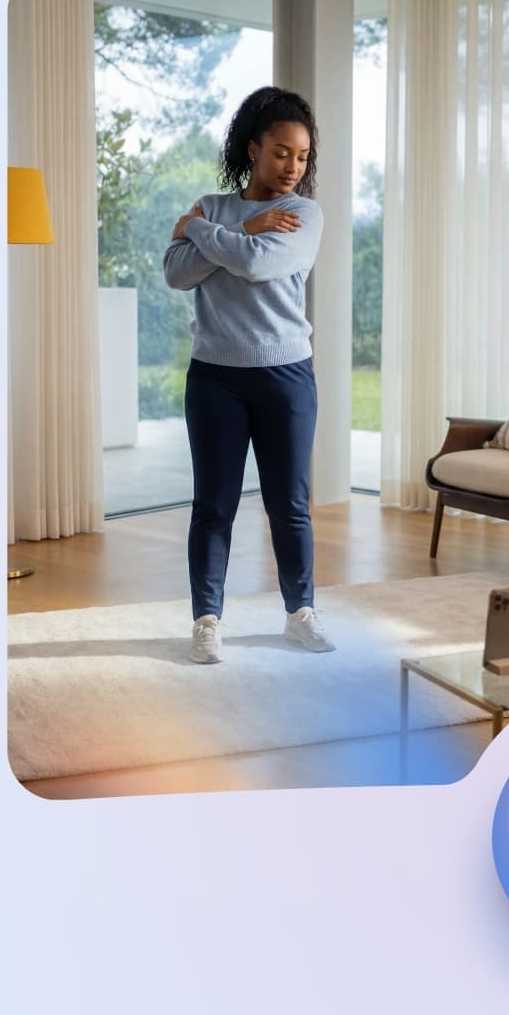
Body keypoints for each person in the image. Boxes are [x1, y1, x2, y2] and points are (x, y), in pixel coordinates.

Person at [163, 86, 336, 664]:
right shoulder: (214, 205)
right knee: (213, 505)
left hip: (286, 374)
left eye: (303, 156)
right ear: (255, 148)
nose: (293, 167)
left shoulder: (303, 215)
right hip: (215, 377)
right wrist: (236, 230)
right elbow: (176, 275)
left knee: (289, 504)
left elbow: (259, 265)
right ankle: (207, 620)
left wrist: (197, 231)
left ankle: (300, 613)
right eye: (282, 152)